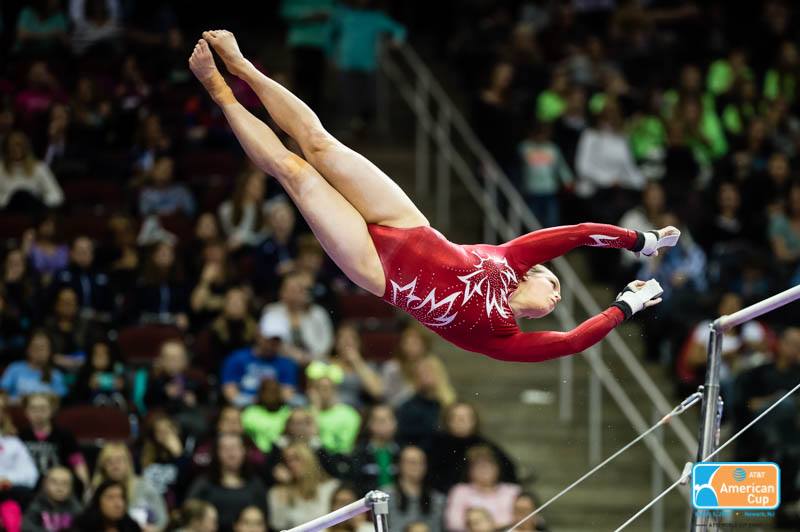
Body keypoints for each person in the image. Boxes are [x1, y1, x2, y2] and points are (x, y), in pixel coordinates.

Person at [189, 31, 676, 364]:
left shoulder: (501, 338)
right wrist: (640, 240)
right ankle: (242, 66)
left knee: (295, 172)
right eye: (554, 283)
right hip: (407, 223)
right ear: (532, 273)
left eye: (559, 294)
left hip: (377, 270)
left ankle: (219, 90)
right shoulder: (511, 258)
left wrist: (625, 307)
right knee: (319, 145)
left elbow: (570, 342)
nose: (558, 295)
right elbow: (577, 233)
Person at [428, 402, 517, 493]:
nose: (461, 421)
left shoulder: (486, 446)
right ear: (447, 421)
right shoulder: (435, 446)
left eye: (466, 418)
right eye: (456, 417)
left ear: (475, 421)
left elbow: (509, 473)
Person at [186, 433, 268, 531]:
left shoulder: (256, 485)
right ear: (217, 452)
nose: (231, 454)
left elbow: (265, 519)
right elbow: (189, 514)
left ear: (244, 451)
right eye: (226, 449)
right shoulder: (203, 484)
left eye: (235, 448)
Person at [19, 393, 91, 494]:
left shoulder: (64, 435)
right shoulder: (20, 436)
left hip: (59, 486)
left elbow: (77, 462)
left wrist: (86, 486)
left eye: (43, 408)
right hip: (29, 486)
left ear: (52, 410)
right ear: (26, 412)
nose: (38, 412)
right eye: (33, 408)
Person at [259, 270, 334, 363]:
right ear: (282, 292)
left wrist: (310, 358)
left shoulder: (318, 313)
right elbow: (271, 342)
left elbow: (326, 342)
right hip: (280, 362)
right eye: (293, 289)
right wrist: (297, 357)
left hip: (315, 361)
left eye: (301, 289)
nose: (298, 293)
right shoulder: (272, 311)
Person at [92, 443, 168, 531]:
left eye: (119, 460)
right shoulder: (95, 490)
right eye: (109, 461)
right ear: (102, 466)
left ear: (128, 463)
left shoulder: (144, 487)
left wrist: (155, 529)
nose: (115, 466)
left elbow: (163, 519)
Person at [444, 445, 521, 530]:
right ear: (469, 470)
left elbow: (521, 520)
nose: (484, 470)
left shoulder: (513, 491)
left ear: (497, 467)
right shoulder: (460, 491)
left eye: (488, 466)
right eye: (479, 467)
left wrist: (491, 527)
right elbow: (454, 523)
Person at [267, 441, 340, 531]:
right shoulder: (278, 492)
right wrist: (284, 488)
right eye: (287, 461)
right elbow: (278, 525)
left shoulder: (331, 488)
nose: (291, 464)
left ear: (309, 459)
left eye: (296, 458)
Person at [221, 328, 299, 407]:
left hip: (275, 407)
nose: (272, 343)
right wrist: (252, 401)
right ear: (259, 336)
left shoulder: (286, 364)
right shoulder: (237, 358)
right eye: (269, 339)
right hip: (243, 407)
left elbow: (287, 393)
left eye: (276, 340)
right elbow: (230, 390)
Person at [306, 362, 361, 454]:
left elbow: (340, 447)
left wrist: (315, 412)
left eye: (325, 388)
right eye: (316, 388)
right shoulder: (301, 413)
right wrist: (314, 410)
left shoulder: (349, 415)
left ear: (335, 389)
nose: (320, 392)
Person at [386, 446, 445, 532]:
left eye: (421, 462)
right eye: (412, 462)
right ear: (399, 464)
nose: (417, 466)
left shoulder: (437, 499)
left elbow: (436, 528)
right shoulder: (385, 496)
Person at [0, 130, 63, 211]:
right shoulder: (1, 169)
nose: (15, 149)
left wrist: (41, 202)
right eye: (12, 146)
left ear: (26, 147)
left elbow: (56, 195)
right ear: (6, 148)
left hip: (33, 212)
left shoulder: (40, 168)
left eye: (19, 145)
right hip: (6, 212)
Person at [139, 414, 190, 511]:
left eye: (168, 430)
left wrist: (178, 454)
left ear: (176, 431)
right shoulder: (144, 456)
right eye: (159, 431)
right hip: (146, 505)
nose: (164, 435)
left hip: (172, 508)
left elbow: (186, 484)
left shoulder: (184, 459)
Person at [1, 330, 67, 401]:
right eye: (36, 347)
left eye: (43, 347)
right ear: (28, 349)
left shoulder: (55, 374)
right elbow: (2, 392)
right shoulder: (15, 368)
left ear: (50, 351)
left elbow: (58, 399)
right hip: (16, 407)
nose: (39, 351)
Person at [330, 322, 383, 408]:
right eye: (342, 337)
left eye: (352, 338)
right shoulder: (326, 364)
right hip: (332, 408)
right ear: (335, 342)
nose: (347, 341)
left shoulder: (368, 366)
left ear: (359, 343)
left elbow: (377, 392)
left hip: (358, 410)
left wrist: (356, 361)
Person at [348, 404, 399, 492]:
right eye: (381, 421)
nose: (387, 424)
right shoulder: (360, 452)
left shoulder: (401, 452)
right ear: (370, 424)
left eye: (390, 419)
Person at [22, 466, 82, 532]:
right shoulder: (35, 506)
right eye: (54, 482)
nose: (59, 488)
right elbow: (27, 527)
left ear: (71, 487)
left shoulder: (75, 508)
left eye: (65, 483)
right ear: (45, 484)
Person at [241, 376, 292, 453]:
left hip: (283, 452)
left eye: (274, 391)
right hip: (256, 454)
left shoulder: (288, 412)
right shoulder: (250, 413)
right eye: (267, 391)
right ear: (260, 393)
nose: (271, 395)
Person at [70, 480, 142, 532]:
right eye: (111, 498)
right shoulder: (82, 526)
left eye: (121, 497)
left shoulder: (132, 527)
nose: (118, 504)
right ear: (98, 502)